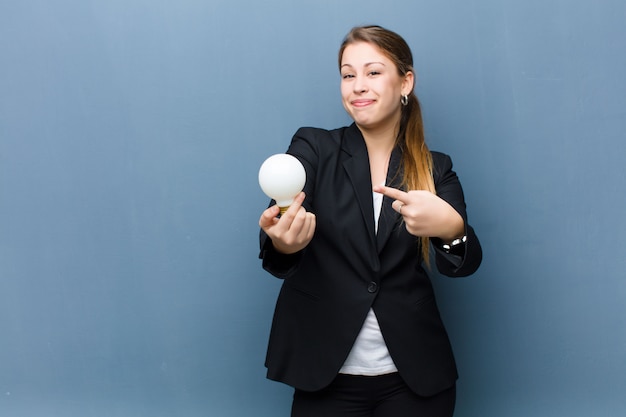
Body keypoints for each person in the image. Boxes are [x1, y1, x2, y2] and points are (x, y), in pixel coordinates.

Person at [258, 25, 482, 417]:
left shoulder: (435, 168)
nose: (358, 86)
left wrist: (451, 229)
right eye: (348, 75)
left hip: (415, 380)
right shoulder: (313, 147)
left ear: (405, 82)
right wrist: (283, 242)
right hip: (325, 375)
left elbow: (465, 262)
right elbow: (281, 231)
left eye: (374, 72)